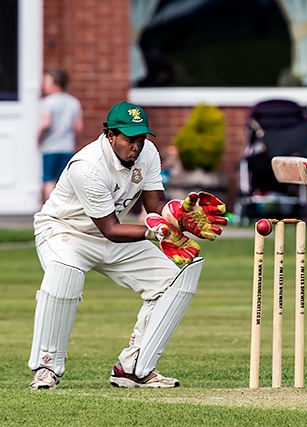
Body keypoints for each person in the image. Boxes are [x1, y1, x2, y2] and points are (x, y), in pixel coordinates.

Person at [28, 101, 228, 390]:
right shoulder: (88, 166)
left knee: (178, 274)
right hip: (65, 231)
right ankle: (47, 367)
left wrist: (179, 215)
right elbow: (110, 229)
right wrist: (153, 232)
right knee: (66, 271)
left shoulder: (147, 154)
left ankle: (134, 368)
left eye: (141, 138)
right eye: (129, 139)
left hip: (111, 233)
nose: (136, 146)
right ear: (110, 135)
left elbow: (155, 203)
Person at [38, 69, 83, 204]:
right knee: (63, 181)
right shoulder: (74, 102)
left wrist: (38, 138)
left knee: (49, 180)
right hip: (67, 147)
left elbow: (45, 124)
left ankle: (48, 210)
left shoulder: (48, 102)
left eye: (46, 82)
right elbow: (79, 127)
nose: (44, 85)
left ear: (56, 84)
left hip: (51, 147)